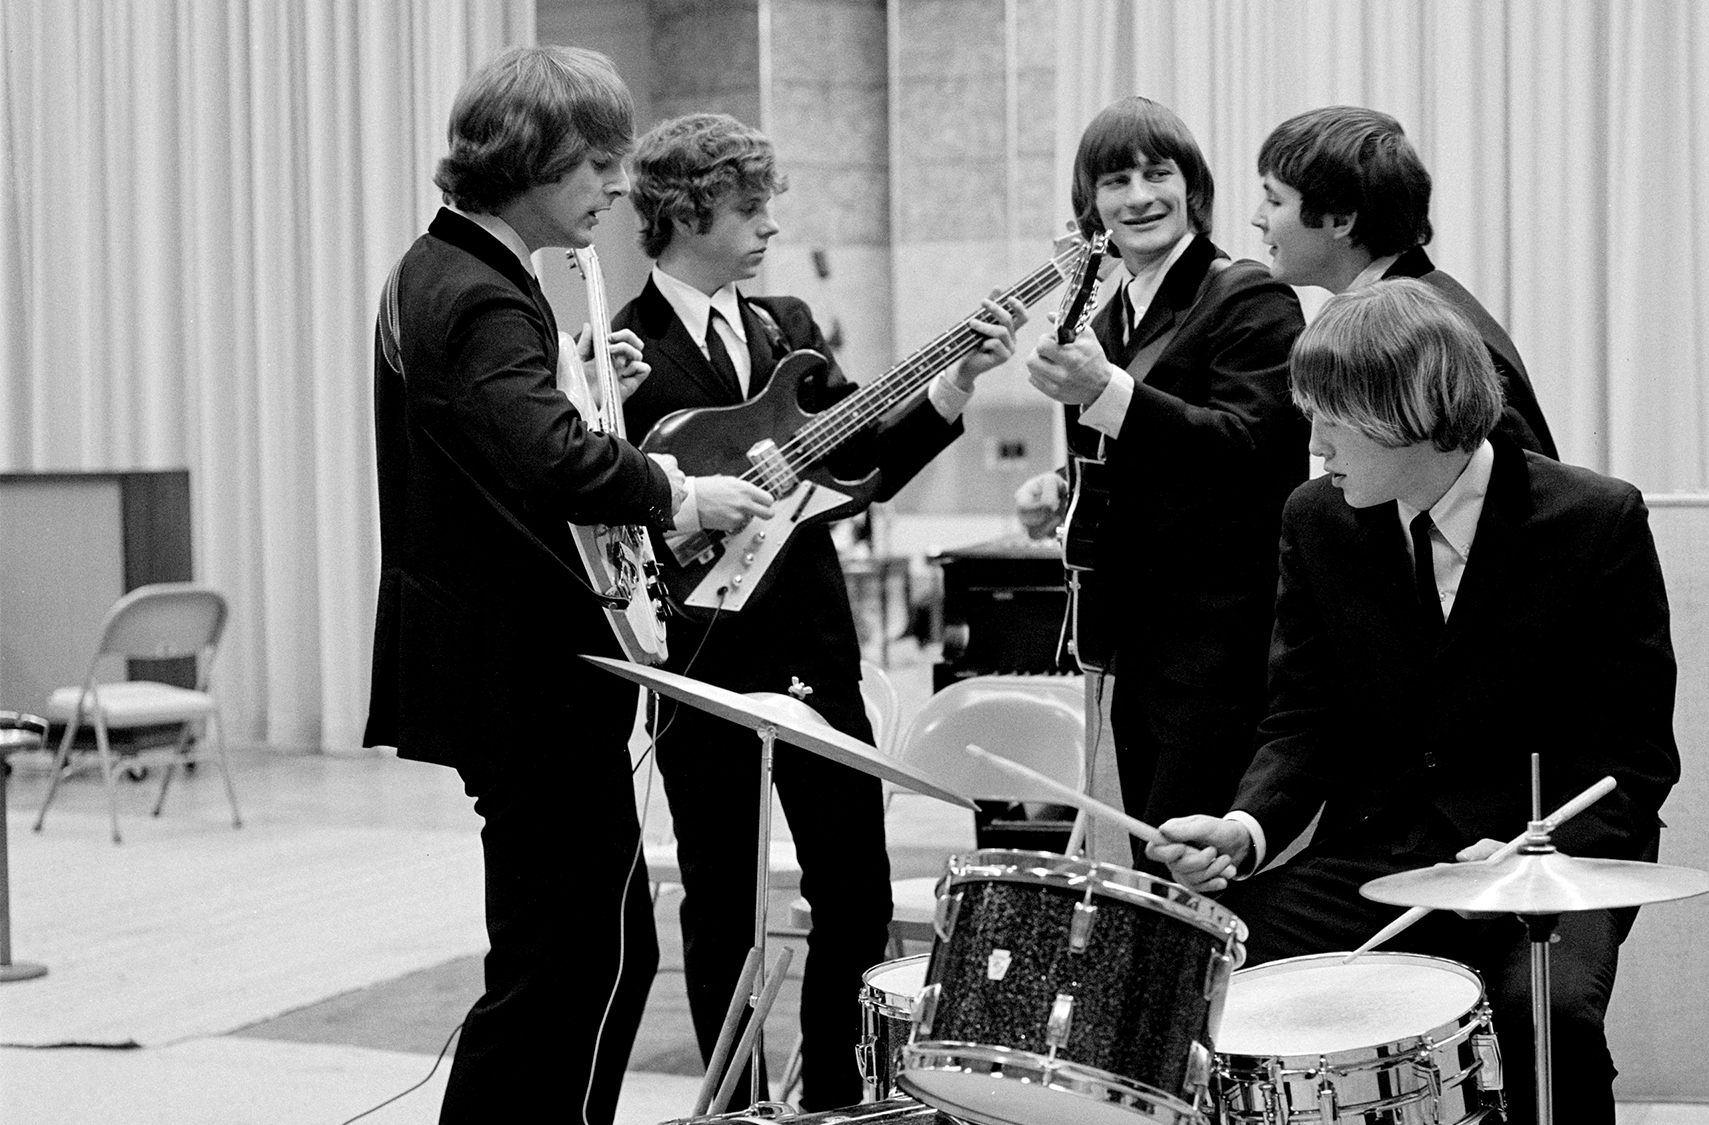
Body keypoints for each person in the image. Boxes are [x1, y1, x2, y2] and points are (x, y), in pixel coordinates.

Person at [1149, 278, 1679, 1124]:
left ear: (1413, 411)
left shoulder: (1596, 519)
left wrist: (1531, 850)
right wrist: (1245, 828)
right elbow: (1302, 721)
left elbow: (1634, 759)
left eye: (1331, 418)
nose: (1314, 444)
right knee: (1204, 977)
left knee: (1549, 1018)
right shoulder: (1317, 519)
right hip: (1381, 852)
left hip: (1542, 861)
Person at [612, 112, 1025, 1111]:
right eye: (748, 209)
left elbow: (860, 467)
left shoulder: (784, 327)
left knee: (856, 888)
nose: (768, 227)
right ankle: (737, 1104)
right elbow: (611, 511)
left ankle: (837, 1096)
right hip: (701, 657)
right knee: (721, 899)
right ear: (685, 214)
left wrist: (955, 384)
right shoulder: (624, 351)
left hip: (813, 645)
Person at [366, 46, 683, 1124]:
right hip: (524, 675)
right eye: (597, 164)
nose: (616, 186)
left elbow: (493, 439)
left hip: (497, 669)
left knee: (576, 957)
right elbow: (547, 463)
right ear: (530, 157)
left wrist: (577, 377)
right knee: (578, 965)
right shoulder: (482, 293)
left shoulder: (444, 268)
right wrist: (677, 490)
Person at [1016, 96, 1307, 864]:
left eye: (1157, 174)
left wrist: (1107, 392)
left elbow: (1256, 450)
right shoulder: (1107, 318)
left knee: (1193, 871)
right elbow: (1139, 453)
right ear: (1092, 203)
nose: (1139, 196)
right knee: (1157, 865)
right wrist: (1063, 487)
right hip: (1136, 646)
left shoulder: (1249, 297)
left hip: (1221, 650)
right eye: (1116, 181)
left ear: (1193, 187)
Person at [1253, 105, 1560, 459]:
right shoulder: (1418, 306)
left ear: (1340, 220)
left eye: (1274, 200)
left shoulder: (1420, 329)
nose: (1258, 218)